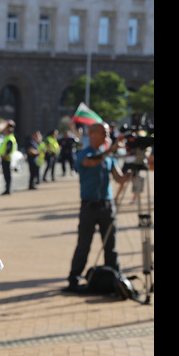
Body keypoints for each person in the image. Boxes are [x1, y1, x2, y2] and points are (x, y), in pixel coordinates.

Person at [65, 122, 126, 292]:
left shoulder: (109, 156)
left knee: (110, 245)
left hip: (107, 205)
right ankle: (74, 279)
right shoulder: (84, 153)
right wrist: (111, 150)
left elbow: (119, 178)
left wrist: (131, 173)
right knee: (84, 244)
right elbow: (91, 162)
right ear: (91, 134)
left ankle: (114, 277)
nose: (107, 137)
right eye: (103, 133)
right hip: (89, 207)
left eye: (107, 133)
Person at [0, 121, 17, 195]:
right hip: (7, 158)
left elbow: (8, 150)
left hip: (6, 159)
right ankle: (8, 188)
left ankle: (8, 189)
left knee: (7, 175)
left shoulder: (9, 138)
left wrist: (3, 156)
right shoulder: (10, 138)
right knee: (7, 174)